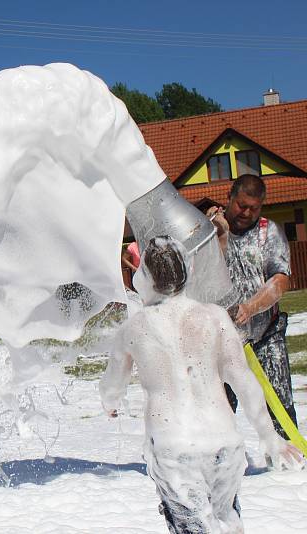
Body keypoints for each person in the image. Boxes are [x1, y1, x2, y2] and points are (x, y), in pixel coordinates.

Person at [100, 236, 302, 534]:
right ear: (188, 271)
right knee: (228, 523)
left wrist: (111, 403)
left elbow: (111, 387)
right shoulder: (215, 317)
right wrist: (269, 436)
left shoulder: (134, 328)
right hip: (225, 445)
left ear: (145, 277)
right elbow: (244, 381)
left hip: (175, 451)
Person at [208, 174, 297, 438]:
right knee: (218, 410)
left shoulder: (269, 233)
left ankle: (289, 467)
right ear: (229, 198)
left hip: (265, 334)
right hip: (222, 340)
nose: (246, 212)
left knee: (279, 405)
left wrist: (249, 307)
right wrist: (214, 233)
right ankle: (218, 465)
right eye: (241, 205)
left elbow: (279, 282)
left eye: (254, 208)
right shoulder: (210, 228)